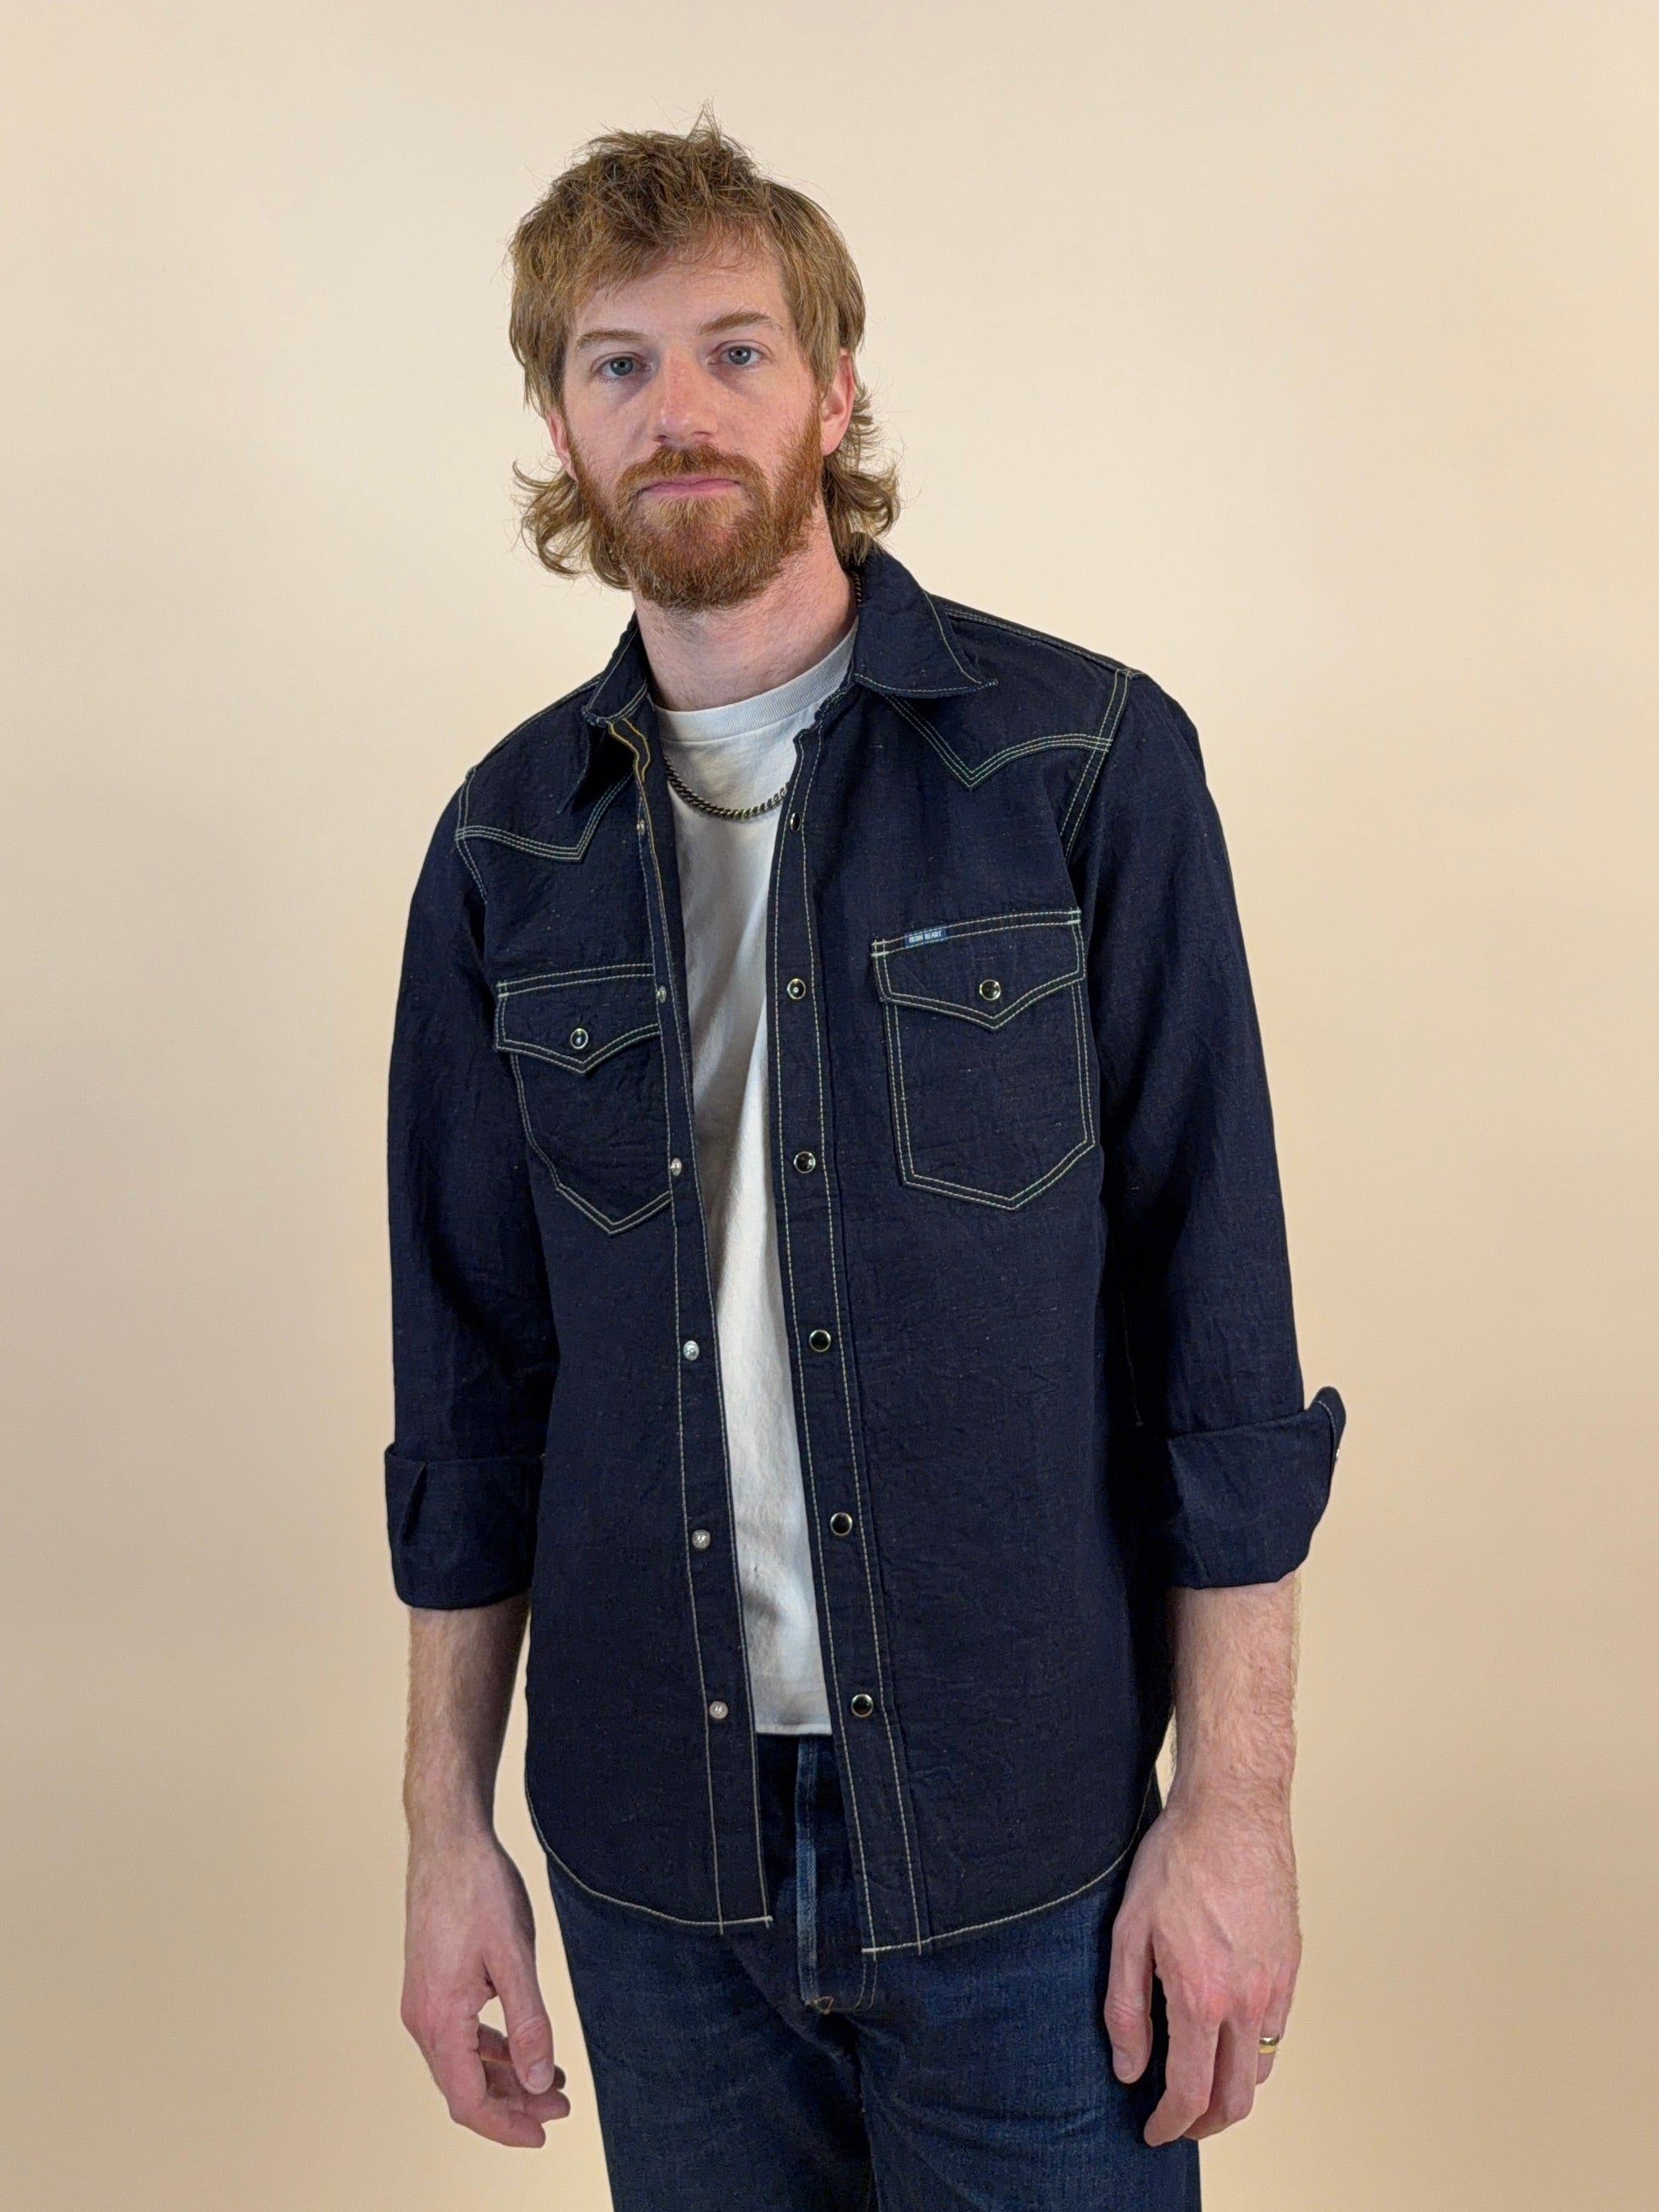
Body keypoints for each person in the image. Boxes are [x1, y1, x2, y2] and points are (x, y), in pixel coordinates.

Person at [385, 115, 1344, 2212]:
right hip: (655, 1873)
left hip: (1021, 1850)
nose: (679, 409)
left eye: (735, 348)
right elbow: (469, 1405)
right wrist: (445, 1833)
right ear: (556, 421)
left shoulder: (1079, 766)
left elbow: (1214, 1339)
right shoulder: (501, 847)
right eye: (617, 362)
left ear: (835, 389)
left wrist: (1235, 1809)